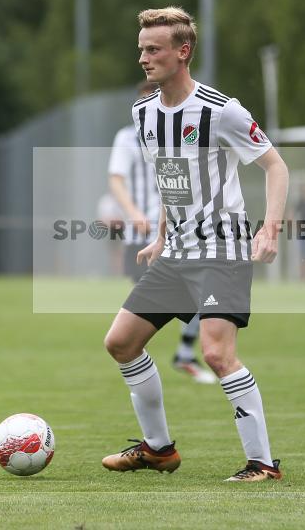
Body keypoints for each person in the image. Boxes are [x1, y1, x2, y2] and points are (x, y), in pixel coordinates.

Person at [101, 6, 289, 482]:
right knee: (121, 342)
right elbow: (173, 181)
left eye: (154, 49)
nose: (143, 58)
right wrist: (162, 237)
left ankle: (262, 464)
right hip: (177, 252)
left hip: (221, 248)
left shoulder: (220, 110)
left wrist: (269, 229)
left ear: (182, 52)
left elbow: (275, 166)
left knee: (216, 353)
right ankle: (159, 449)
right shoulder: (143, 113)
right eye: (141, 49)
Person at [107, 81, 216, 384]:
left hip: (180, 235)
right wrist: (134, 214)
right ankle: (156, 358)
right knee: (162, 305)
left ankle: (181, 355)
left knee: (200, 293)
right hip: (142, 239)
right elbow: (115, 180)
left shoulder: (177, 133)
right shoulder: (127, 138)